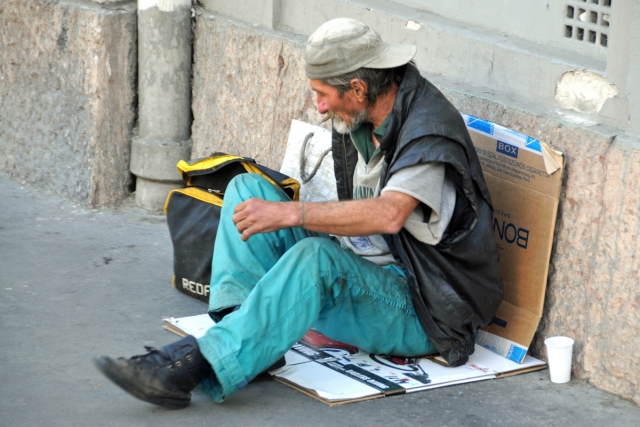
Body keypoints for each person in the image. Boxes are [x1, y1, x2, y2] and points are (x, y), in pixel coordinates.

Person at [94, 18, 503, 410]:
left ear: (358, 88)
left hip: (424, 309)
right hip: (369, 266)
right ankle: (248, 341)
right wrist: (283, 213)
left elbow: (390, 215)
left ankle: (197, 363)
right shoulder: (366, 112)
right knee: (245, 190)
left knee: (316, 259)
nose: (319, 107)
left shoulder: (428, 134)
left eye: (323, 94)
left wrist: (293, 213)